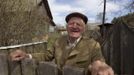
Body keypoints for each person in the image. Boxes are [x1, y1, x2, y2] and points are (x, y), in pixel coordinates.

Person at [10, 12, 114, 75]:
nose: (74, 26)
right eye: (71, 23)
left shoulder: (93, 44)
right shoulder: (58, 41)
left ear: (84, 29)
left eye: (79, 24)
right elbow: (46, 56)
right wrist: (27, 55)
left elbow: (98, 61)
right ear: (67, 26)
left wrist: (99, 65)